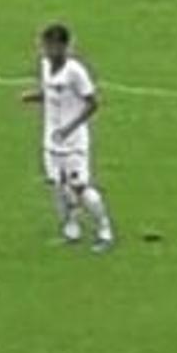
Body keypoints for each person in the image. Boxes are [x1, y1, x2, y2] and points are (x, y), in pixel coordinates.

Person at [22, 23, 115, 250]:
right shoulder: (45, 66)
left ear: (63, 47)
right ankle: (71, 229)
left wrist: (70, 128)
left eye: (50, 47)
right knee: (57, 185)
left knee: (79, 186)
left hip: (73, 142)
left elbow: (93, 103)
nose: (45, 51)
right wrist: (34, 97)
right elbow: (49, 91)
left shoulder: (75, 71)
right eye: (44, 46)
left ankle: (105, 230)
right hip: (51, 140)